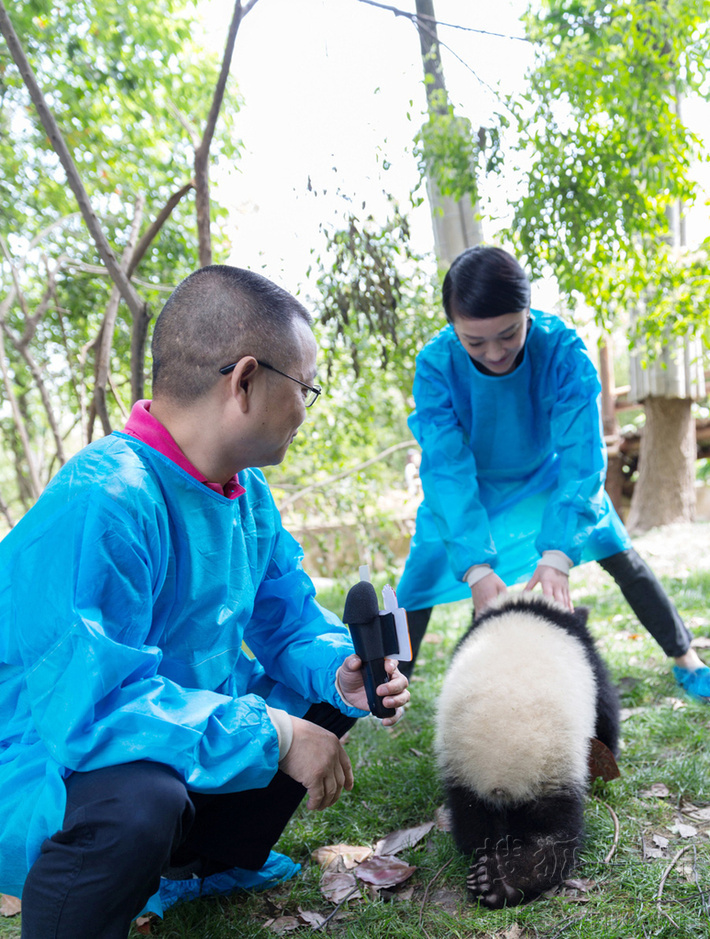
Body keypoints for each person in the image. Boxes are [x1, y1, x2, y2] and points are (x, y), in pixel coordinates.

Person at [0, 265, 409, 939]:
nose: (308, 407)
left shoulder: (243, 492)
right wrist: (276, 734)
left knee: (328, 694)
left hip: (165, 726)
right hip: (43, 754)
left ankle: (200, 864)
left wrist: (343, 671)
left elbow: (290, 618)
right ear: (245, 380)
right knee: (141, 802)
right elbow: (94, 710)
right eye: (305, 386)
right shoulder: (103, 499)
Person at [396, 245, 709, 701]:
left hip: (550, 478)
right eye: (475, 342)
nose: (495, 352)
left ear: (527, 312)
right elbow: (445, 468)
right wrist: (477, 567)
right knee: (418, 583)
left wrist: (559, 554)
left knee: (618, 550)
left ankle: (687, 658)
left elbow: (581, 453)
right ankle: (381, 692)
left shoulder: (561, 347)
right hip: (471, 491)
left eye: (508, 333)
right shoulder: (436, 365)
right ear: (452, 328)